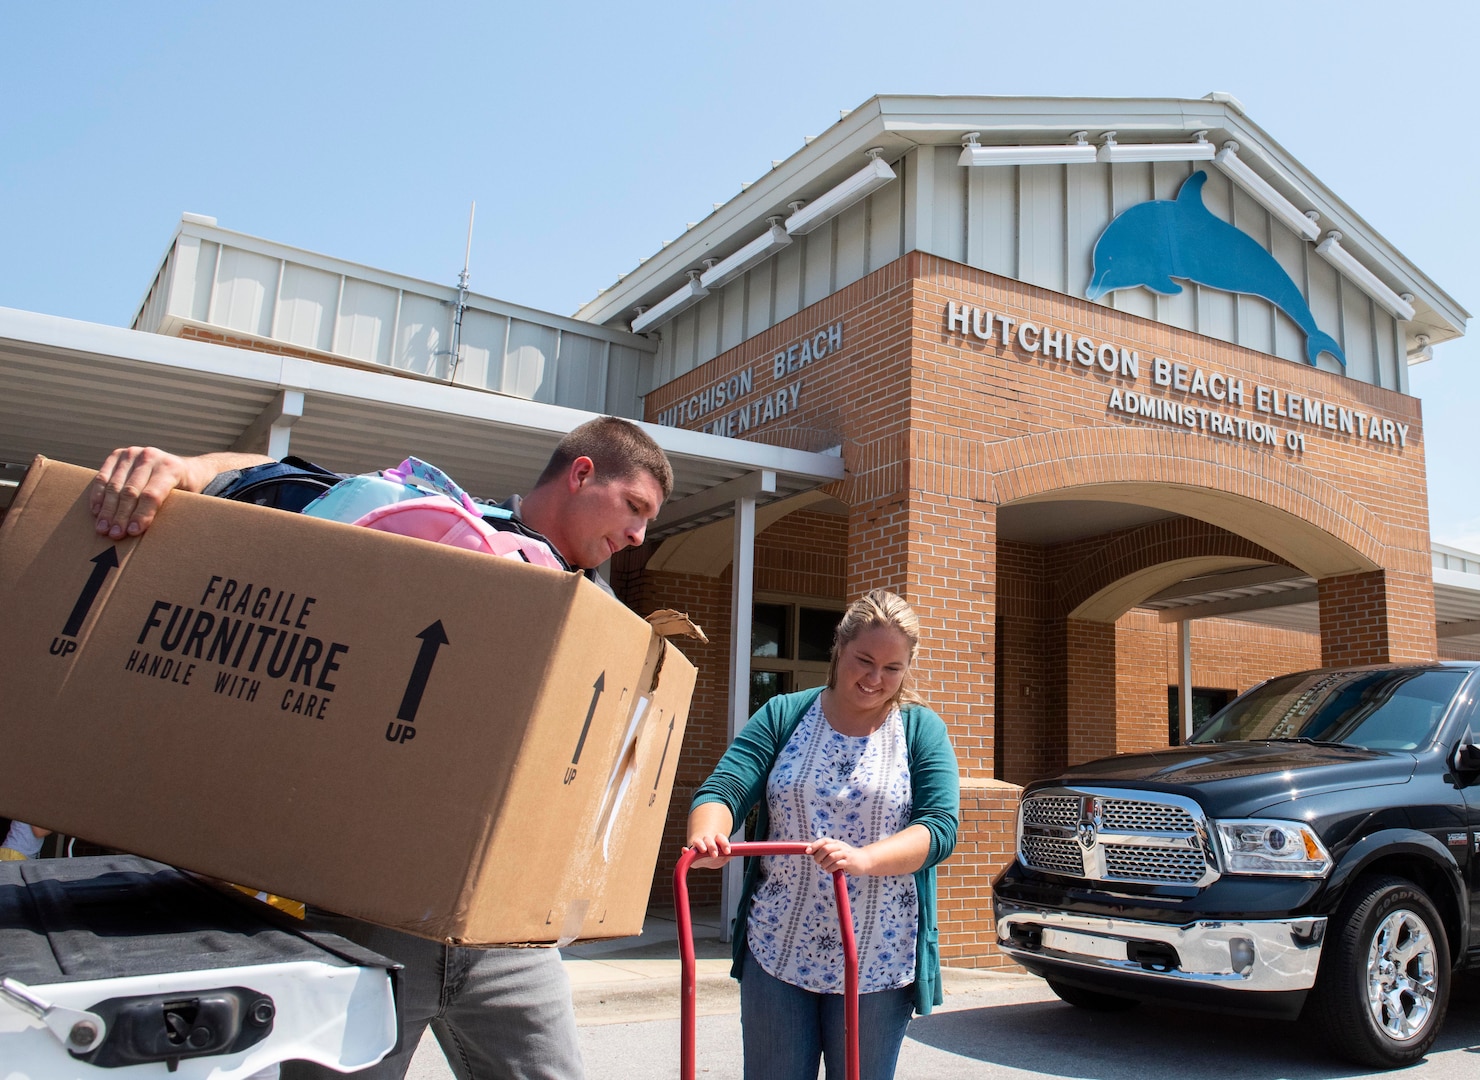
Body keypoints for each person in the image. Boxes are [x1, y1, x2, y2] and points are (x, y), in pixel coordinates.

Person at [89, 416, 674, 1080]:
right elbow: (287, 480)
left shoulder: (605, 612)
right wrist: (185, 469)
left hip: (512, 937)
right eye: (634, 509)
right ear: (581, 474)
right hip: (373, 918)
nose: (638, 536)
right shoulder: (440, 523)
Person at [685, 589, 960, 1080]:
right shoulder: (784, 714)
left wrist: (864, 858)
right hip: (778, 945)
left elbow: (939, 828)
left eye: (892, 669)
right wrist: (708, 835)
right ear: (839, 647)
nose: (875, 679)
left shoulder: (920, 730)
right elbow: (725, 788)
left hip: (877, 954)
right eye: (864, 660)